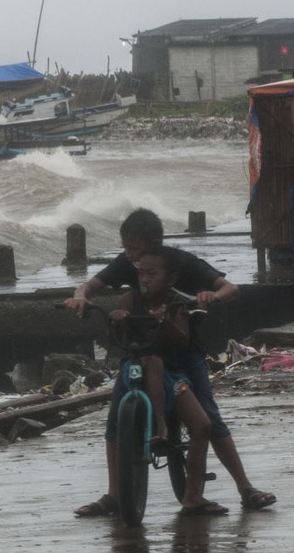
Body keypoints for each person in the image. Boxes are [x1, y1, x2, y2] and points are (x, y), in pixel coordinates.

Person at [67, 208, 276, 516]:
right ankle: (114, 494)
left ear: (154, 243)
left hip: (182, 352)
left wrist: (210, 297)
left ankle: (245, 488)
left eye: (134, 249)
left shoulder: (181, 264)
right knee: (114, 422)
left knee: (209, 418)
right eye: (126, 250)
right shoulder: (129, 265)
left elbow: (230, 289)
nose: (131, 259)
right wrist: (81, 297)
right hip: (142, 350)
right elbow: (89, 287)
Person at [108, 245, 220, 513]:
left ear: (170, 279)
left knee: (202, 425)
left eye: (152, 274)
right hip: (134, 368)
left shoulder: (175, 303)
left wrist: (165, 321)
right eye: (141, 274)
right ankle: (115, 492)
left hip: (171, 376)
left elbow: (182, 339)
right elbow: (118, 341)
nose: (145, 279)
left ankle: (192, 494)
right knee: (113, 423)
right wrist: (117, 320)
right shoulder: (128, 299)